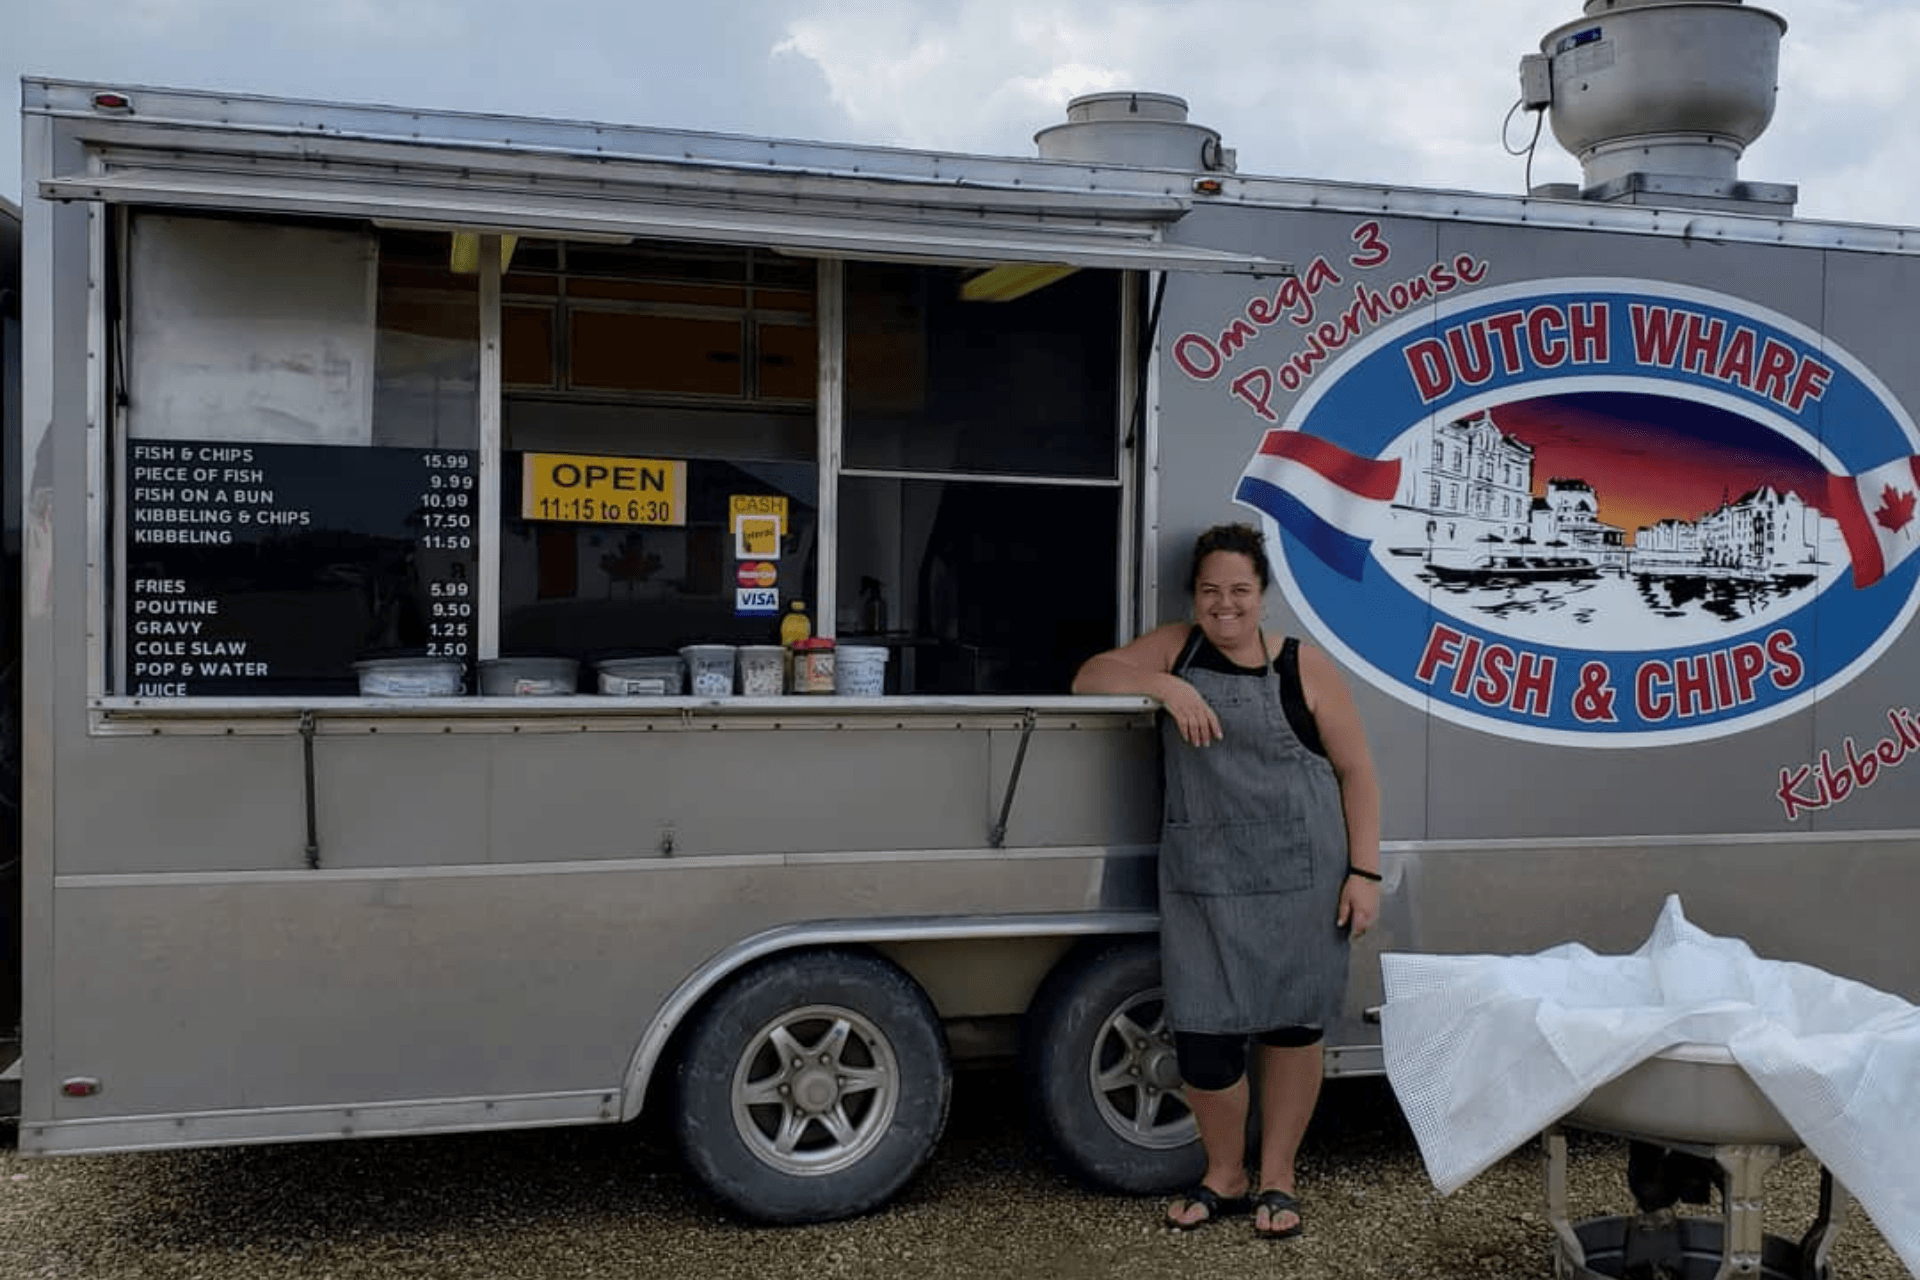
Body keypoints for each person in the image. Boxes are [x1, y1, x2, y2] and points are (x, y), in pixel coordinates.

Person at [1071, 521, 1382, 1240]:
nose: (1225, 605)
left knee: (1292, 1031)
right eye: (1211, 590)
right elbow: (1089, 676)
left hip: (1302, 882)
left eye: (1240, 590)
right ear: (1195, 596)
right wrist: (1162, 687)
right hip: (1203, 885)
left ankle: (1278, 1178)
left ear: (1264, 596)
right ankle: (1224, 1174)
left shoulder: (1303, 667)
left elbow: (1357, 771)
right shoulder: (1177, 647)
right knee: (1205, 1046)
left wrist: (1363, 871)